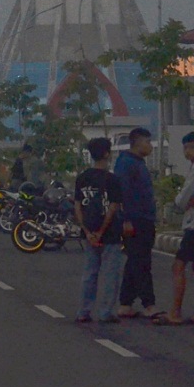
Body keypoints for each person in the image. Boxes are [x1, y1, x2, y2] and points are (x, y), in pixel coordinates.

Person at [155, 132, 194, 326]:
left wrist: (184, 201)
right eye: (185, 147)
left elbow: (181, 200)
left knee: (179, 265)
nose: (187, 151)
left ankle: (175, 312)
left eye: (191, 147)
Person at [73, 137, 124, 323]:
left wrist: (87, 231)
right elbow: (113, 207)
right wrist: (102, 231)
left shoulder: (82, 178)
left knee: (89, 273)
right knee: (110, 275)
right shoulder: (112, 180)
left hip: (89, 234)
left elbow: (78, 206)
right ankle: (105, 312)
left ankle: (83, 311)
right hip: (109, 234)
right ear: (106, 154)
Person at [114, 127, 163, 319]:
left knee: (135, 261)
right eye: (147, 142)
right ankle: (149, 304)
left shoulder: (137, 163)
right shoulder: (126, 164)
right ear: (137, 143)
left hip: (144, 218)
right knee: (142, 262)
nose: (150, 146)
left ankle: (125, 303)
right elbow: (121, 192)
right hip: (135, 220)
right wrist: (125, 219)